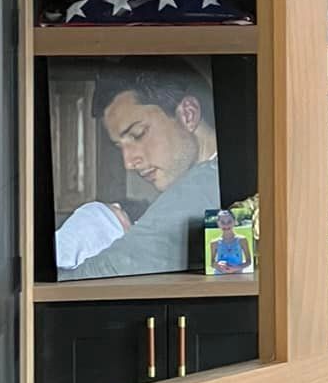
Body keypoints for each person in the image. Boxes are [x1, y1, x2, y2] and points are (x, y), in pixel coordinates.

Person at [61, 63, 220, 280]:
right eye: (120, 146)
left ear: (188, 114)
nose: (128, 162)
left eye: (138, 134)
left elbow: (84, 281)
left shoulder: (199, 189)